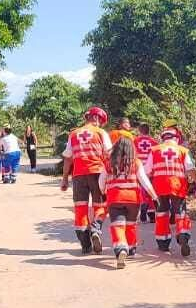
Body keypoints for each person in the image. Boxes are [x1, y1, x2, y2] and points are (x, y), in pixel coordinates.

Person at [60, 106, 112, 253]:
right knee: (101, 205)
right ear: (97, 118)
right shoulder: (101, 133)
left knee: (80, 209)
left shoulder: (74, 134)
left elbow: (68, 158)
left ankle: (85, 245)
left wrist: (64, 179)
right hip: (98, 174)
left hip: (78, 176)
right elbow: (110, 155)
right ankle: (95, 230)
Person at [100, 136, 157, 268]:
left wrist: (103, 191)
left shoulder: (109, 163)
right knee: (131, 225)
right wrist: (154, 196)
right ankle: (131, 248)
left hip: (115, 199)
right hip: (133, 200)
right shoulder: (136, 163)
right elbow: (144, 181)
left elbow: (101, 181)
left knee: (118, 225)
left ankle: (121, 248)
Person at [147, 125, 196, 256]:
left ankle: (163, 243)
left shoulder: (154, 150)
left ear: (163, 138)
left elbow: (147, 171)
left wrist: (146, 186)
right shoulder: (183, 150)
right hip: (178, 186)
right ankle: (183, 235)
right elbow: (190, 169)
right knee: (180, 213)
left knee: (162, 214)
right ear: (176, 138)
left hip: (159, 187)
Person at [134, 123, 157, 227]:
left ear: (139, 131)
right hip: (150, 170)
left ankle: (143, 210)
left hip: (138, 168)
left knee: (141, 191)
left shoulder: (135, 141)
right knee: (150, 190)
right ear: (149, 131)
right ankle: (152, 216)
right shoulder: (154, 142)